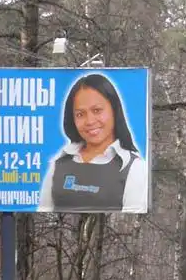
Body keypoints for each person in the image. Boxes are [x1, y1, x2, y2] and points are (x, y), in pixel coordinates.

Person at [38, 73, 148, 213]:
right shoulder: (58, 164)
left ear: (114, 110)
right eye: (80, 114)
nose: (89, 121)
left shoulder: (135, 168)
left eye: (97, 110)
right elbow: (43, 212)